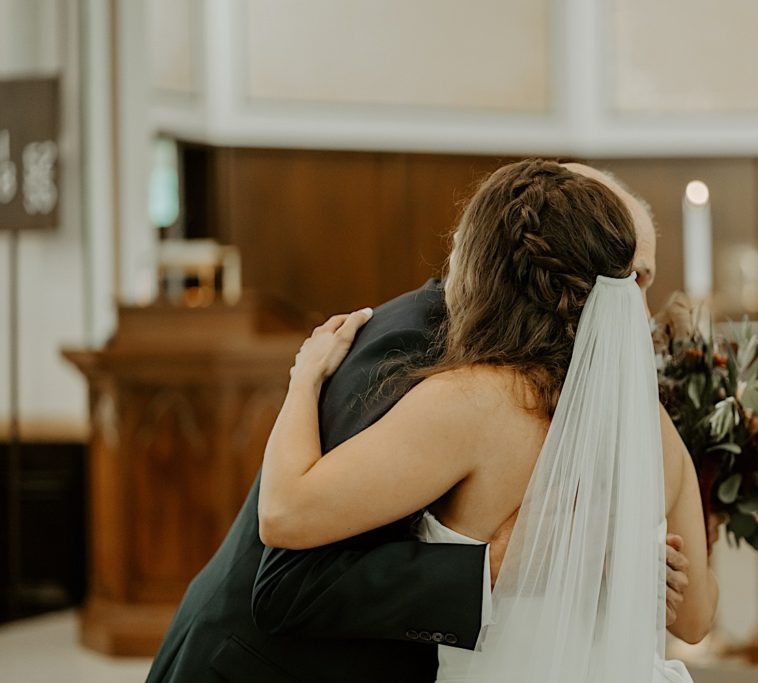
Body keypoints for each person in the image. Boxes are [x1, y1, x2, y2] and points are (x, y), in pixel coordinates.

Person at [146, 160, 692, 682]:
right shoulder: (417, 345)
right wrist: (489, 567)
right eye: (629, 278)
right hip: (261, 666)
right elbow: (288, 572)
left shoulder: (546, 385)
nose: (636, 308)